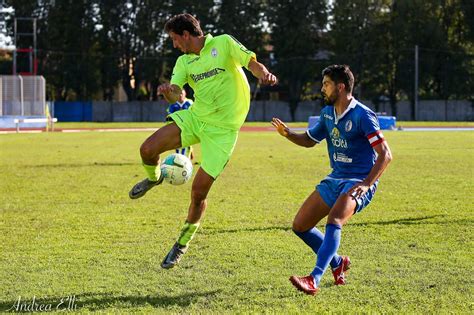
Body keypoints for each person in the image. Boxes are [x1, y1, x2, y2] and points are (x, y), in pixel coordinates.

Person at [129, 13, 278, 269]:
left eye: (175, 39)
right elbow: (176, 97)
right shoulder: (183, 62)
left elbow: (251, 62)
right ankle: (154, 178)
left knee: (198, 193)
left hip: (223, 132)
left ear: (186, 34)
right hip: (196, 118)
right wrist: (168, 92)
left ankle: (181, 244)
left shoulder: (223, 43)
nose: (174, 45)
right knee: (147, 149)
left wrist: (264, 74)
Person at [271, 64, 392, 295]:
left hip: (358, 181)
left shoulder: (362, 115)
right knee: (301, 226)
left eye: (326, 84)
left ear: (341, 86)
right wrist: (288, 134)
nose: (322, 89)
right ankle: (337, 262)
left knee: (335, 219)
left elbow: (386, 155)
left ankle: (314, 278)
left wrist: (366, 184)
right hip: (336, 178)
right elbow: (309, 140)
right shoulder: (327, 114)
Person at [164, 89, 194, 159]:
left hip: (187, 126)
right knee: (177, 140)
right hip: (177, 125)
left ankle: (183, 157)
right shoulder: (173, 104)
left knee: (185, 141)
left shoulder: (189, 102)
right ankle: (178, 155)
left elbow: (194, 113)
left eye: (182, 94)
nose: (180, 95)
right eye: (179, 94)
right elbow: (169, 114)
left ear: (185, 94)